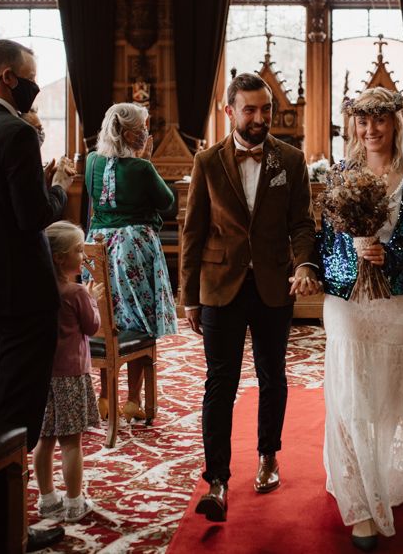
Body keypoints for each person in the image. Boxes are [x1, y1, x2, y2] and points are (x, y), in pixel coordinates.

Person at [180, 72, 320, 523]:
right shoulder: (206, 162)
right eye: (250, 110)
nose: (259, 118)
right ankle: (217, 478)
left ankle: (268, 456)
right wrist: (189, 296)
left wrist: (304, 264)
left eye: (266, 110)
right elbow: (193, 231)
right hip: (220, 284)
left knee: (272, 375)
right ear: (229, 112)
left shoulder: (291, 160)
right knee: (219, 382)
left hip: (274, 285)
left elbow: (302, 223)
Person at [319, 87, 403, 550]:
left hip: (397, 302)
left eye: (379, 121)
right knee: (352, 397)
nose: (370, 130)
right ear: (353, 123)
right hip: (348, 304)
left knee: (387, 400)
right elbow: (327, 240)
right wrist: (354, 256)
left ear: (397, 123)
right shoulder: (342, 172)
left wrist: (387, 256)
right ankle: (359, 502)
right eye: (362, 121)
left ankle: (382, 477)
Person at [0, 38, 74, 550]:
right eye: (32, 76)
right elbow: (30, 217)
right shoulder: (13, 131)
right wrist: (55, 190)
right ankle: (5, 529)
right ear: (9, 77)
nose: (35, 85)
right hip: (21, 300)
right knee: (16, 415)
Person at [83, 102, 177, 421]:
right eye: (143, 128)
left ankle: (105, 398)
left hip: (96, 246)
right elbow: (168, 203)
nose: (147, 133)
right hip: (132, 249)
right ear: (129, 132)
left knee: (105, 319)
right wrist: (145, 161)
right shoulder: (141, 168)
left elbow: (96, 201)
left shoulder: (92, 162)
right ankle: (134, 400)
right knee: (139, 320)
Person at [33, 221, 103, 523]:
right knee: (71, 442)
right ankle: (75, 502)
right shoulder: (76, 293)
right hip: (71, 375)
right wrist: (93, 300)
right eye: (78, 250)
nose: (83, 256)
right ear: (60, 257)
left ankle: (47, 499)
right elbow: (92, 327)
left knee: (43, 440)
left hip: (42, 376)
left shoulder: (37, 290)